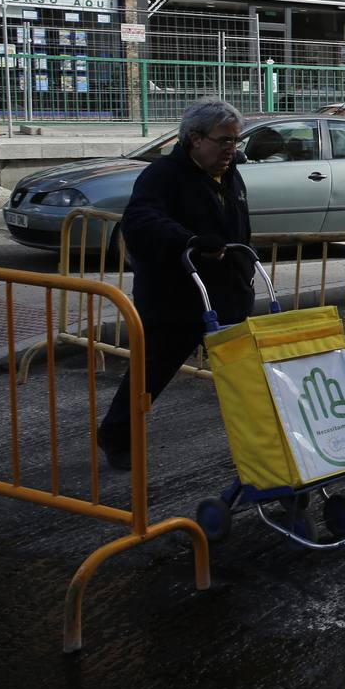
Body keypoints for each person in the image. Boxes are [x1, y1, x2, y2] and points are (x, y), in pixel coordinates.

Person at [95, 98, 255, 471]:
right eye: (225, 141)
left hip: (227, 296)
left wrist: (244, 266)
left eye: (236, 141)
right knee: (150, 373)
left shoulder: (229, 173)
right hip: (176, 299)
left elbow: (237, 226)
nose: (232, 149)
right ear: (195, 139)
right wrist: (189, 241)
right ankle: (116, 436)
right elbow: (140, 221)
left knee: (248, 378)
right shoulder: (163, 175)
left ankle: (264, 448)